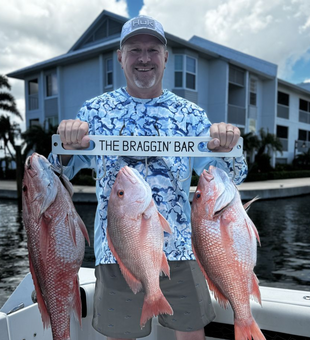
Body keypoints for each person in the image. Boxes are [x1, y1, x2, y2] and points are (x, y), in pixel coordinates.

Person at [50, 15, 247, 340]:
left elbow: (230, 177)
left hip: (182, 248)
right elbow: (60, 174)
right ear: (120, 56)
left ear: (166, 56)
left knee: (190, 333)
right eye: (135, 49)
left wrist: (231, 147)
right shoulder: (95, 111)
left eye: (153, 50)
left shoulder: (190, 115)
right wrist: (66, 145)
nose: (144, 58)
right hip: (119, 249)